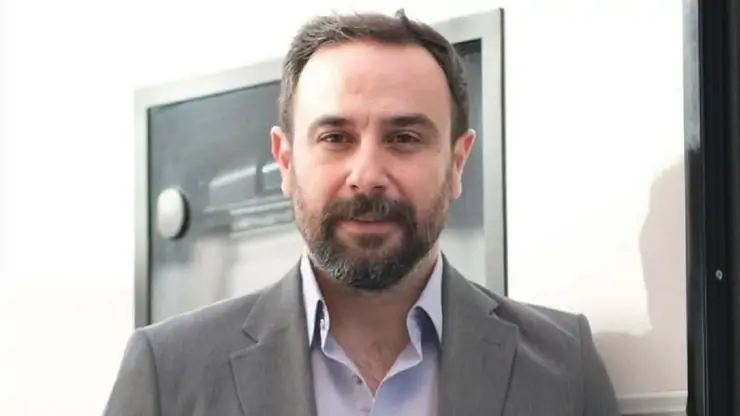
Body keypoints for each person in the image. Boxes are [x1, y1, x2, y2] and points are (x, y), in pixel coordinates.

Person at [104, 10, 620, 415]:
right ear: (286, 161)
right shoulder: (168, 373)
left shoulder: (562, 368)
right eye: (335, 137)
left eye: (404, 138)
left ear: (458, 162)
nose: (367, 173)